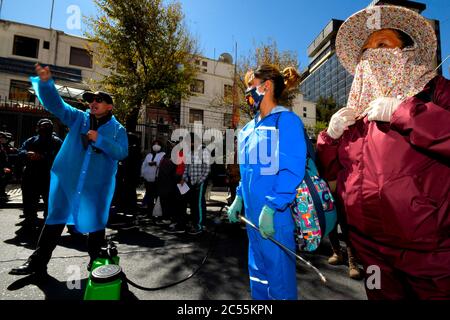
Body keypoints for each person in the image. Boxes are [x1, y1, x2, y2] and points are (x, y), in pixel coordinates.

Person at [317, 6, 450, 300]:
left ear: (406, 51)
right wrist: (330, 138)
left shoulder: (437, 91)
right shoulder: (357, 114)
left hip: (431, 254)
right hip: (372, 252)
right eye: (366, 51)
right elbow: (330, 174)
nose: (371, 56)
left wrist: (407, 113)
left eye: (381, 45)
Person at [9, 64, 128, 276]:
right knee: (54, 219)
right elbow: (58, 106)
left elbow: (121, 153)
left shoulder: (118, 129)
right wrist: (46, 84)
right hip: (68, 180)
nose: (93, 102)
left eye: (99, 100)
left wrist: (99, 139)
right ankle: (37, 263)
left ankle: (97, 265)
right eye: (91, 99)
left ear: (110, 106)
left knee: (96, 224)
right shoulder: (79, 118)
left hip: (96, 186)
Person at [227, 64, 306, 300]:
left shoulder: (287, 121)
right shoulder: (247, 129)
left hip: (275, 218)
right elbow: (247, 170)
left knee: (280, 282)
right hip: (252, 218)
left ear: (266, 87)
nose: (247, 92)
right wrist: (239, 197)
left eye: (251, 85)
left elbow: (292, 170)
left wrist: (272, 206)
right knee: (258, 276)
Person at [17, 119, 62, 228]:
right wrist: (27, 154)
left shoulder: (57, 142)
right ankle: (30, 217)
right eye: (42, 127)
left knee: (49, 200)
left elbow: (61, 157)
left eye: (47, 127)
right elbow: (20, 151)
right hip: (31, 175)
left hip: (49, 176)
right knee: (29, 199)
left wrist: (42, 157)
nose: (44, 129)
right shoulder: (32, 140)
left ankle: (48, 220)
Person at [181, 134, 211, 235]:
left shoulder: (204, 151)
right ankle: (195, 223)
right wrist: (184, 178)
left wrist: (200, 181)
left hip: (200, 182)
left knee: (198, 203)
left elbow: (207, 169)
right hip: (191, 181)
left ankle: (200, 225)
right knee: (193, 203)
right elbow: (187, 167)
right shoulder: (189, 152)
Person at [140, 140, 165, 216]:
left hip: (157, 179)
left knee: (157, 196)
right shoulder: (149, 155)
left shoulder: (163, 154)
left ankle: (157, 212)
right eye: (154, 144)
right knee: (149, 196)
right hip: (148, 179)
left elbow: (163, 165)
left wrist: (156, 163)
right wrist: (142, 175)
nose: (156, 146)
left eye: (158, 144)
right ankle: (149, 212)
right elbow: (144, 165)